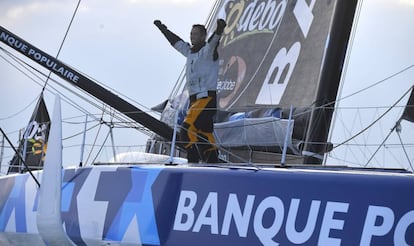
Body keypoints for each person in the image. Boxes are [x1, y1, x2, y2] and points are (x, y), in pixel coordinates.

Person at [154, 18, 226, 163]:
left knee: (187, 130)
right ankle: (213, 162)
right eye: (191, 34)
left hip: (206, 99)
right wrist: (163, 29)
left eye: (195, 34)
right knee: (204, 134)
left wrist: (219, 29)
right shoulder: (190, 52)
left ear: (203, 36)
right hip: (195, 101)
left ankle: (192, 160)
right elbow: (176, 42)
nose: (192, 37)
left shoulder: (207, 51)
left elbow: (214, 41)